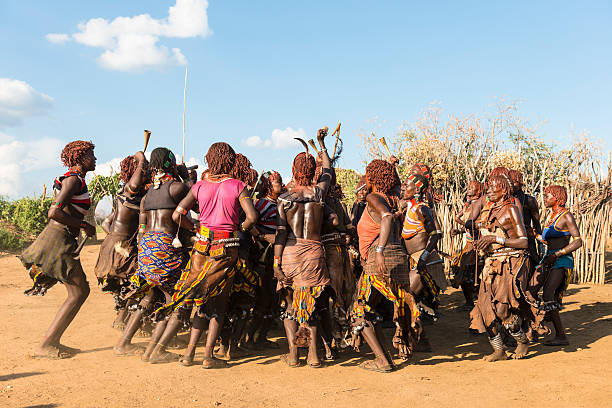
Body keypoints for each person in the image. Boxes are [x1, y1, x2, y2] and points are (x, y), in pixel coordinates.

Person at [157, 142, 258, 368]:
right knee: (219, 306)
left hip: (201, 247)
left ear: (209, 160)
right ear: (230, 161)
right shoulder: (238, 186)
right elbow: (251, 217)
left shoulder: (199, 186)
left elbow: (177, 214)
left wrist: (194, 229)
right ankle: (207, 356)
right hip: (226, 248)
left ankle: (188, 354)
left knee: (201, 300)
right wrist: (239, 229)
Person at [20, 140, 97, 359]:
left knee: (78, 292)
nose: (95, 159)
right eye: (91, 155)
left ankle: (51, 342)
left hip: (61, 238)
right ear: (80, 157)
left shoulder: (74, 179)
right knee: (79, 291)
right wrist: (84, 225)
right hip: (58, 238)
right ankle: (47, 344)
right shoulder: (73, 179)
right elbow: (54, 212)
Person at [113, 147, 190, 360]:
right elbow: (197, 200)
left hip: (146, 250)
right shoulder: (177, 188)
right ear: (171, 164)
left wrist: (148, 250)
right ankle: (155, 351)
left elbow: (142, 228)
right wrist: (185, 177)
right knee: (174, 300)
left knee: (149, 296)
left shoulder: (147, 196)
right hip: (166, 249)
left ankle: (123, 343)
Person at [351, 159, 421, 372]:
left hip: (379, 260)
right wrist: (393, 168)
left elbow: (387, 217)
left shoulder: (374, 198)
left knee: (359, 310)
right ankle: (386, 357)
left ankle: (383, 361)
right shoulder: (394, 198)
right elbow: (395, 190)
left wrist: (379, 251)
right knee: (375, 309)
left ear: (372, 178)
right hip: (398, 259)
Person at [273, 128, 333, 368]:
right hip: (314, 255)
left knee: (290, 306)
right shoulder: (320, 193)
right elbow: (327, 169)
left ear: (294, 172)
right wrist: (321, 144)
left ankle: (293, 355)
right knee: (314, 306)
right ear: (311, 171)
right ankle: (314, 356)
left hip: (290, 254)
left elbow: (280, 233)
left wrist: (276, 264)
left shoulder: (284, 199)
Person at [469, 175, 531, 361]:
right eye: (487, 188)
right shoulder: (488, 211)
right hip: (490, 265)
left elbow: (524, 241)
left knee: (502, 310)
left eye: (492, 188)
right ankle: (499, 350)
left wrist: (497, 239)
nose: (487, 191)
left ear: (504, 191)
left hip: (509, 264)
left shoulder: (511, 210)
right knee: (485, 309)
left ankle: (522, 341)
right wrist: (481, 244)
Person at [95, 151, 148, 330]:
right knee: (139, 282)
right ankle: (121, 322)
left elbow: (105, 223)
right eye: (144, 170)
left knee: (128, 285)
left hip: (112, 244)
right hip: (120, 246)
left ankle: (122, 321)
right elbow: (134, 185)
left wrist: (115, 239)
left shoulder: (124, 197)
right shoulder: (130, 191)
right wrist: (141, 161)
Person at [530, 185, 581, 346]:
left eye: (547, 196)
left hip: (561, 260)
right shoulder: (552, 216)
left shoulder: (566, 216)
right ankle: (536, 324)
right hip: (548, 258)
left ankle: (561, 335)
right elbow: (548, 241)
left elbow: (578, 240)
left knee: (548, 294)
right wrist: (535, 235)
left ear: (557, 198)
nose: (545, 199)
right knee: (530, 290)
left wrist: (557, 254)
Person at [451, 180, 485, 310]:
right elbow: (460, 219)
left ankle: (476, 301)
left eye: (472, 187)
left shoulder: (481, 204)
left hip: (478, 244)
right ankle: (469, 301)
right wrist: (460, 230)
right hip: (469, 243)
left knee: (471, 273)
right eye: (469, 186)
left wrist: (469, 227)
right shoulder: (467, 205)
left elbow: (479, 224)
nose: (469, 189)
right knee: (463, 271)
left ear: (478, 190)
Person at [509, 170, 542, 267]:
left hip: (527, 238)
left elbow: (537, 224)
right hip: (510, 239)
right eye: (509, 181)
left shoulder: (529, 200)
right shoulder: (504, 201)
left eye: (514, 182)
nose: (511, 184)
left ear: (520, 183)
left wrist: (540, 246)